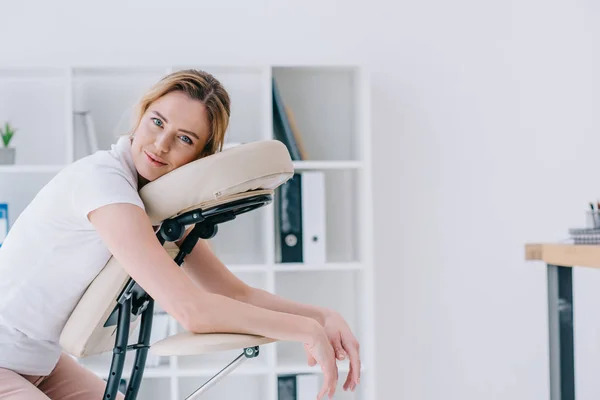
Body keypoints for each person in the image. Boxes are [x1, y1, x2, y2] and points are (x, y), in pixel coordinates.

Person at [0, 69, 360, 400]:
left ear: (201, 155)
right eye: (157, 122)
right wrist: (304, 330)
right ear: (141, 116)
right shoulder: (103, 183)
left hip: (39, 363)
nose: (161, 144)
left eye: (184, 138)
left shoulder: (152, 204)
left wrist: (321, 317)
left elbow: (234, 292)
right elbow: (191, 311)